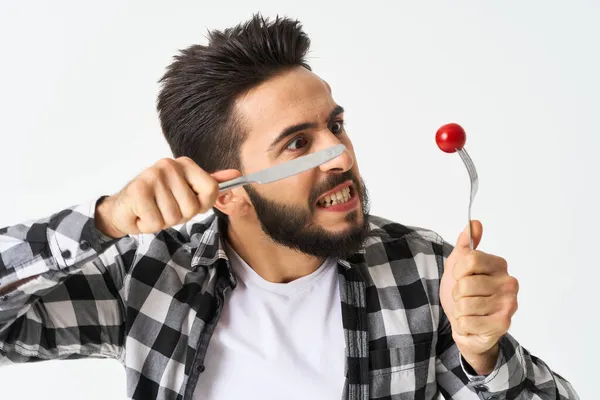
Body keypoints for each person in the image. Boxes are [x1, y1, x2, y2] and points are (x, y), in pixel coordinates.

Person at [0, 13, 578, 400]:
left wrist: (483, 354)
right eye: (298, 143)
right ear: (227, 192)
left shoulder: (425, 270)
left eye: (336, 125)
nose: (340, 155)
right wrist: (102, 222)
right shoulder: (149, 277)